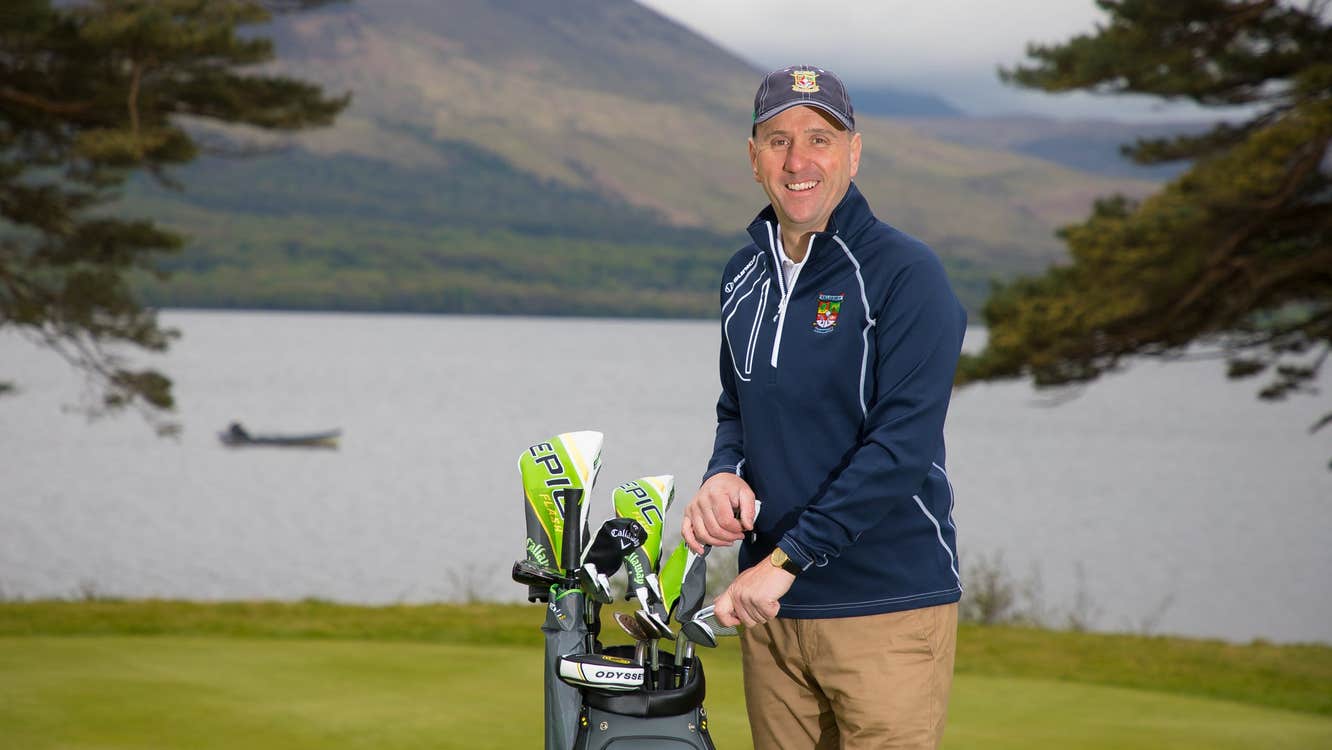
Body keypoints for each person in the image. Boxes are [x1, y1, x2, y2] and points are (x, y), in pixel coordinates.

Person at [681, 64, 968, 749]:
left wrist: (784, 561)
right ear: (753, 158)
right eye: (778, 141)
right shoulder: (743, 275)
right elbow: (737, 407)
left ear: (853, 153)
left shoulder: (907, 273)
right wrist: (722, 474)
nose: (798, 161)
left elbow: (899, 450)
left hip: (885, 609)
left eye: (820, 139)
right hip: (771, 616)